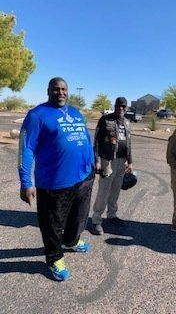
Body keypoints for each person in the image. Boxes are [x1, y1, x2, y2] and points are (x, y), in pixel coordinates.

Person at [18, 77, 95, 281]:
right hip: (54, 182)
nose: (60, 92)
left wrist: (93, 162)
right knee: (51, 223)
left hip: (84, 176)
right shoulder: (37, 115)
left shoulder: (76, 113)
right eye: (56, 89)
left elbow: (86, 139)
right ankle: (54, 258)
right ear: (48, 91)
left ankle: (71, 240)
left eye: (63, 89)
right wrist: (26, 182)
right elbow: (26, 148)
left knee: (79, 215)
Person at [91, 97, 133, 235]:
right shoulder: (105, 120)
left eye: (123, 106)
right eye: (118, 106)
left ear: (126, 108)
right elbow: (97, 140)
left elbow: (128, 143)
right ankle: (96, 220)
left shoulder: (127, 122)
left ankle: (112, 215)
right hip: (107, 160)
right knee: (104, 190)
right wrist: (96, 160)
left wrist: (130, 161)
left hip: (122, 161)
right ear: (114, 106)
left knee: (115, 190)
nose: (121, 108)